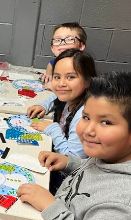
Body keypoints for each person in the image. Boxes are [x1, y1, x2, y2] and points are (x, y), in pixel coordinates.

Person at [18, 71, 131, 219]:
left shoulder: (121, 203)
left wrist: (50, 207)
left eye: (106, 122)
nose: (88, 130)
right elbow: (96, 168)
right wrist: (69, 162)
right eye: (86, 117)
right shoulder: (109, 156)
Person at [27, 49, 97, 193]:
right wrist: (43, 105)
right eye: (57, 77)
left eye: (70, 77)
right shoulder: (71, 98)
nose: (61, 84)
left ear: (88, 81)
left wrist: (53, 129)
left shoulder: (83, 116)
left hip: (68, 182)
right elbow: (55, 98)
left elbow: (71, 160)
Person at [40, 22, 87, 89]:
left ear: (81, 46)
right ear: (52, 48)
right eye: (57, 40)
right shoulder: (57, 62)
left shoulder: (83, 65)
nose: (62, 43)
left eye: (70, 39)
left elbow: (81, 89)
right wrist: (49, 75)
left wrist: (56, 87)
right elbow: (51, 64)